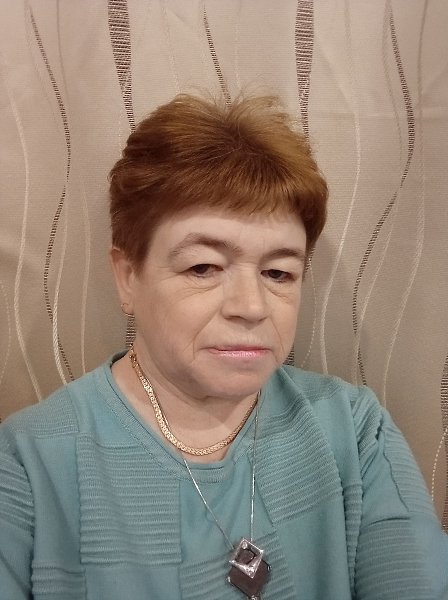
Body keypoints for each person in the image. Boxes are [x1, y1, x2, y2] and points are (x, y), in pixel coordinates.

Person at [0, 93, 447, 600]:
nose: (252, 307)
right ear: (128, 277)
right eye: (203, 267)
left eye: (278, 273)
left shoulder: (355, 430)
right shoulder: (28, 463)